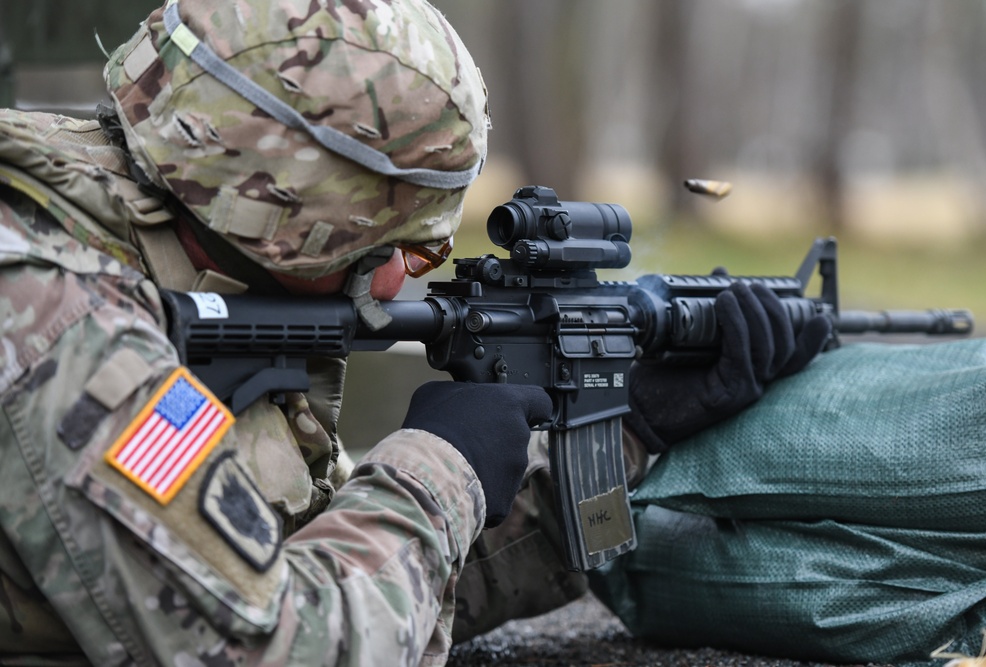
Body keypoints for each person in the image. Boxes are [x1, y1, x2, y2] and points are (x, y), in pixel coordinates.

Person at [0, 0, 830, 664]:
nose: (404, 277)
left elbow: (358, 590)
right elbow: (281, 642)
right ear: (284, 216)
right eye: (394, 243)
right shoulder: (60, 322)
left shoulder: (165, 258)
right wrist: (440, 466)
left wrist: (632, 430)